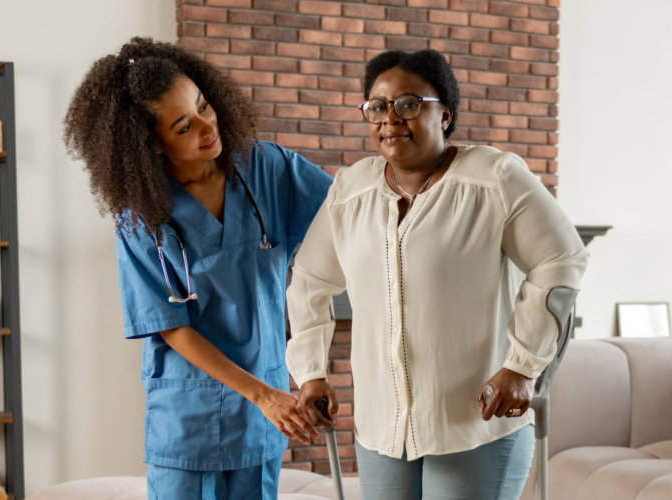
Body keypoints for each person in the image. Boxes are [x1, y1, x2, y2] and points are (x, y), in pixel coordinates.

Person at [285, 49, 589, 500]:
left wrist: (522, 366)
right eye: (377, 106)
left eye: (408, 104)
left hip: (475, 423)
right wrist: (310, 373)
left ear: (444, 115)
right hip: (382, 430)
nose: (390, 118)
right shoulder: (350, 192)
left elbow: (561, 260)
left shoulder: (494, 178)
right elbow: (309, 278)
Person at [63, 37, 333, 499]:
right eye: (184, 125)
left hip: (264, 414)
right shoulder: (141, 217)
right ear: (152, 144)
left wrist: (310, 372)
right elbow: (171, 328)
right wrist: (263, 395)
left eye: (204, 106)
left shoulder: (267, 168)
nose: (208, 127)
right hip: (188, 418)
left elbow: (349, 220)